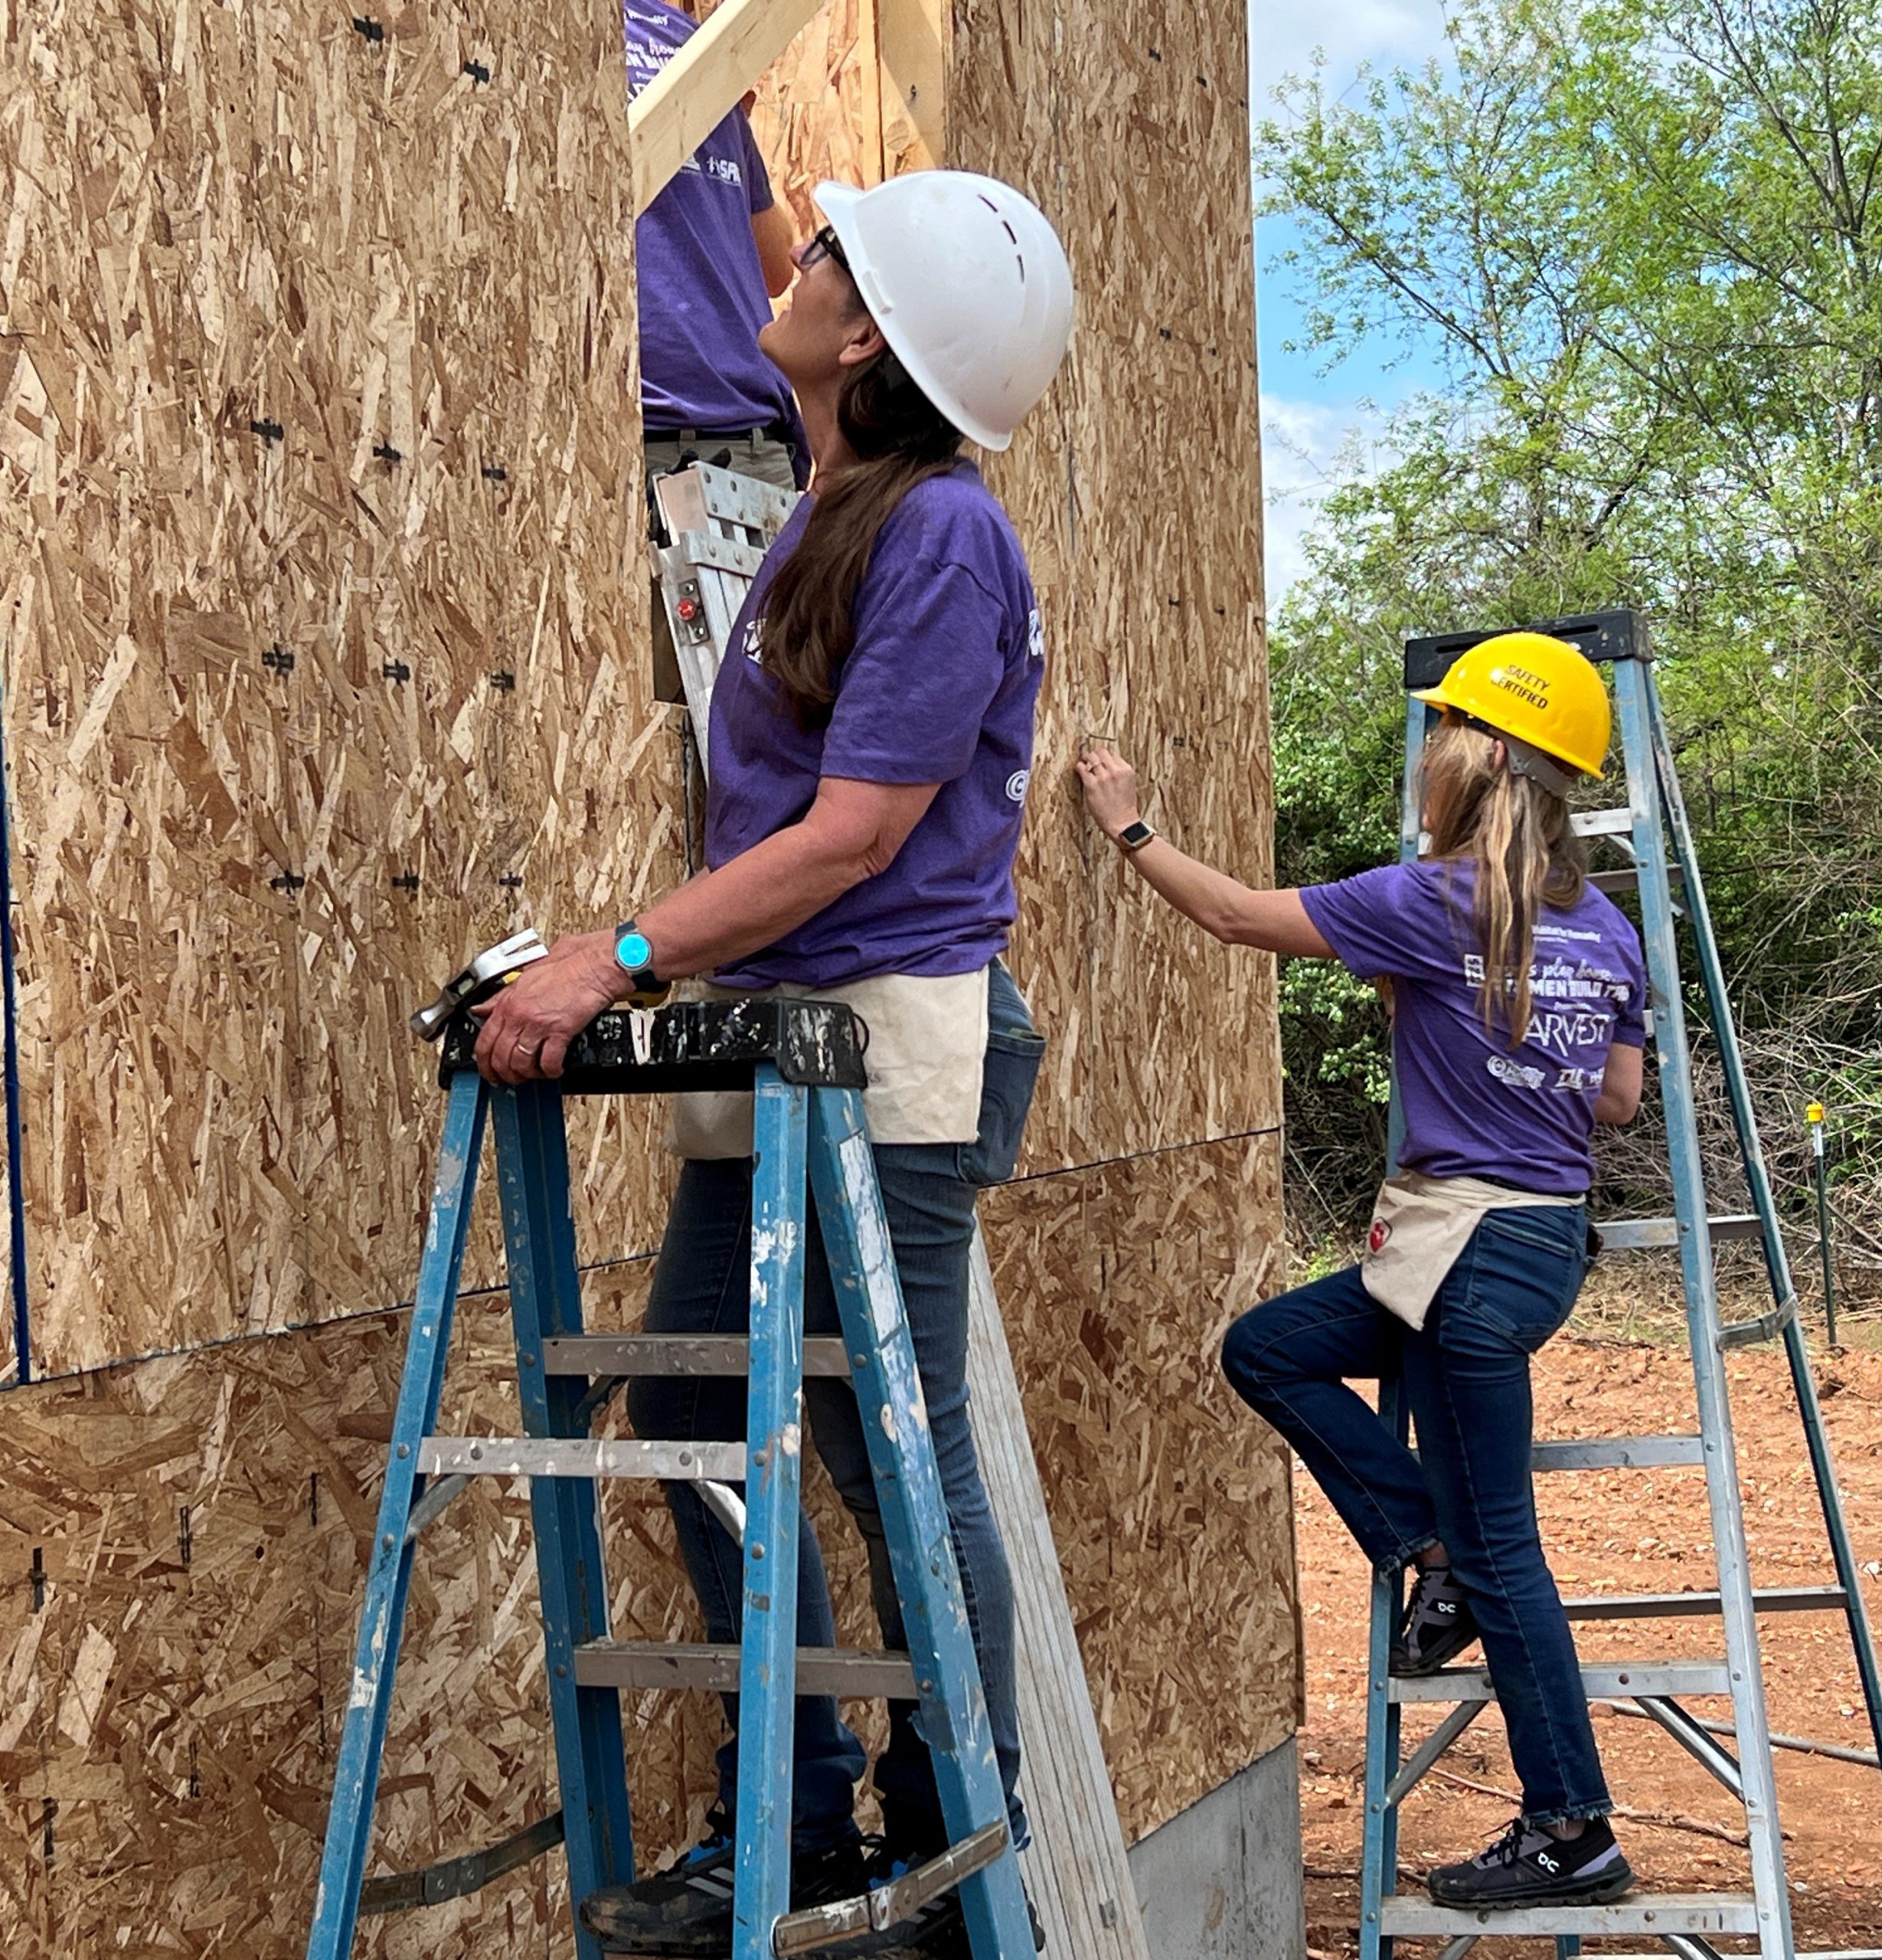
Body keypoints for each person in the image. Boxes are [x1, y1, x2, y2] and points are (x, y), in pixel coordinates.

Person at [473, 168, 1074, 1955]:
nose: (788, 266)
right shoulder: (833, 511)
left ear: (869, 331)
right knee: (690, 1405)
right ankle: (805, 1808)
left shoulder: (944, 531)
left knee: (887, 1436)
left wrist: (620, 953)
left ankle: (957, 1806)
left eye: (821, 257)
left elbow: (857, 832)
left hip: (887, 1050)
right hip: (795, 1045)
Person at [1075, 633, 1648, 1911]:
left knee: (1505, 1557)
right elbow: (1614, 1102)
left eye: (1443, 737)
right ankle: (1419, 1544)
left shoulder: (1425, 899)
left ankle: (1572, 1829)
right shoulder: (1602, 925)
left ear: (1473, 759)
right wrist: (1510, 1044)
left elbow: (1230, 916)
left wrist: (1127, 828)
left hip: (1458, 1261)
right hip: (1537, 1250)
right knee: (1266, 1348)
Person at [626, 0, 806, 492]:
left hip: (637, 449)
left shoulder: (559, 46)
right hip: (752, 444)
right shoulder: (702, 50)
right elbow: (776, 266)